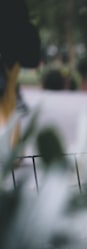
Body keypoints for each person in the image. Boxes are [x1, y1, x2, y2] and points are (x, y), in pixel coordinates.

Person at [0, 0, 41, 147]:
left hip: (7, 57)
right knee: (8, 100)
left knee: (7, 102)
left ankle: (13, 147)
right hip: (13, 56)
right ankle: (13, 146)